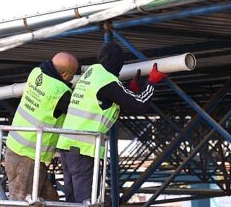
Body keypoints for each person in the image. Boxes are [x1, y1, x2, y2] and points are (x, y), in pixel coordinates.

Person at [56, 42, 166, 203]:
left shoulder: (92, 73)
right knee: (88, 201)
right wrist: (151, 83)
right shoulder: (106, 80)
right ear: (117, 62)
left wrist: (132, 90)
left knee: (73, 200)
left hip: (67, 147)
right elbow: (139, 104)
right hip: (83, 152)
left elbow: (108, 100)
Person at [4, 52, 78, 203]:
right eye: (72, 75)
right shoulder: (60, 93)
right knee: (22, 203)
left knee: (50, 201)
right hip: (28, 156)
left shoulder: (36, 73)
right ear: (64, 75)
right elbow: (80, 112)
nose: (72, 78)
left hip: (16, 148)